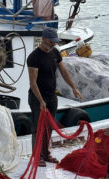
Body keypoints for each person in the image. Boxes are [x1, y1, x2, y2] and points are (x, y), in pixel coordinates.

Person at [27, 27, 83, 167]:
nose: (54, 44)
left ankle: (46, 154)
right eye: (52, 41)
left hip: (51, 96)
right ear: (44, 39)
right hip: (37, 97)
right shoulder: (34, 57)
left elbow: (64, 72)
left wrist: (73, 87)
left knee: (49, 126)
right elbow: (33, 82)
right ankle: (37, 156)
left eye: (55, 42)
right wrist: (40, 101)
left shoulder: (55, 52)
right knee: (38, 127)